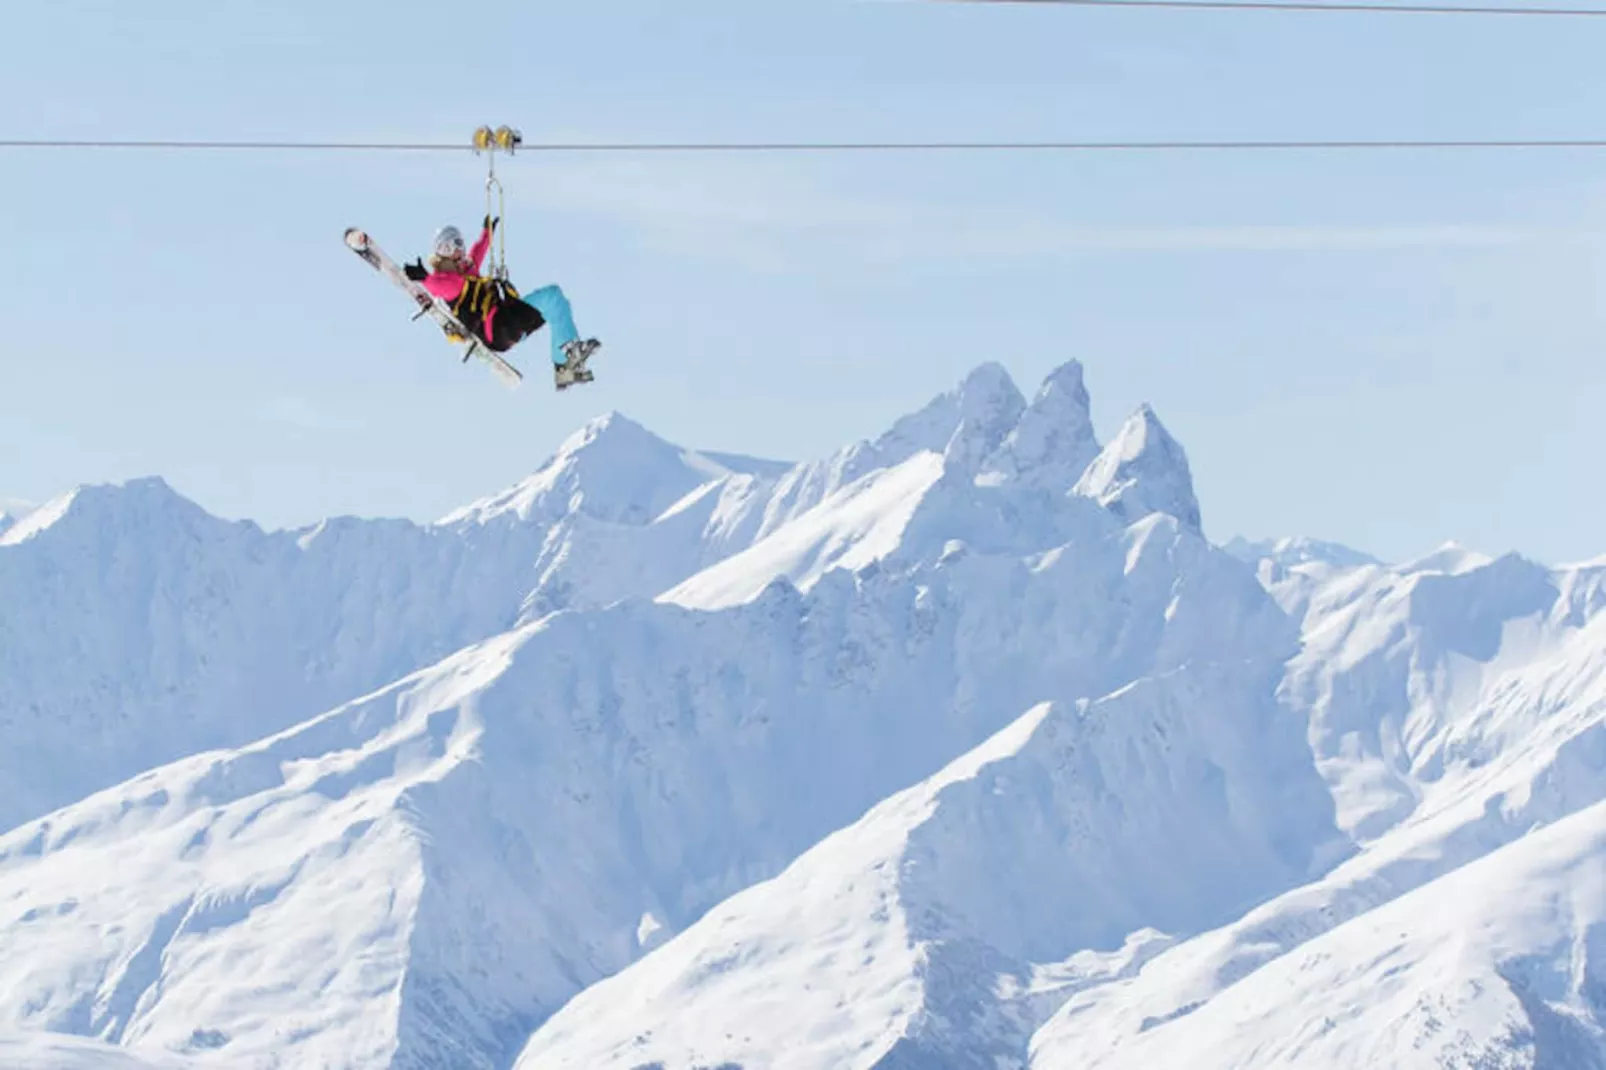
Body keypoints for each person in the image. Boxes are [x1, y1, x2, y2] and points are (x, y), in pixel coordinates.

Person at [404, 217, 599, 389]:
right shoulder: (450, 281)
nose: (461, 249)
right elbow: (438, 286)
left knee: (555, 301)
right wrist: (424, 279)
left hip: (505, 326)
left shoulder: (465, 271)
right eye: (456, 244)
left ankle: (565, 366)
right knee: (551, 298)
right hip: (498, 326)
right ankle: (567, 359)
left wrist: (487, 233)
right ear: (444, 249)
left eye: (461, 243)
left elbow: (477, 253)